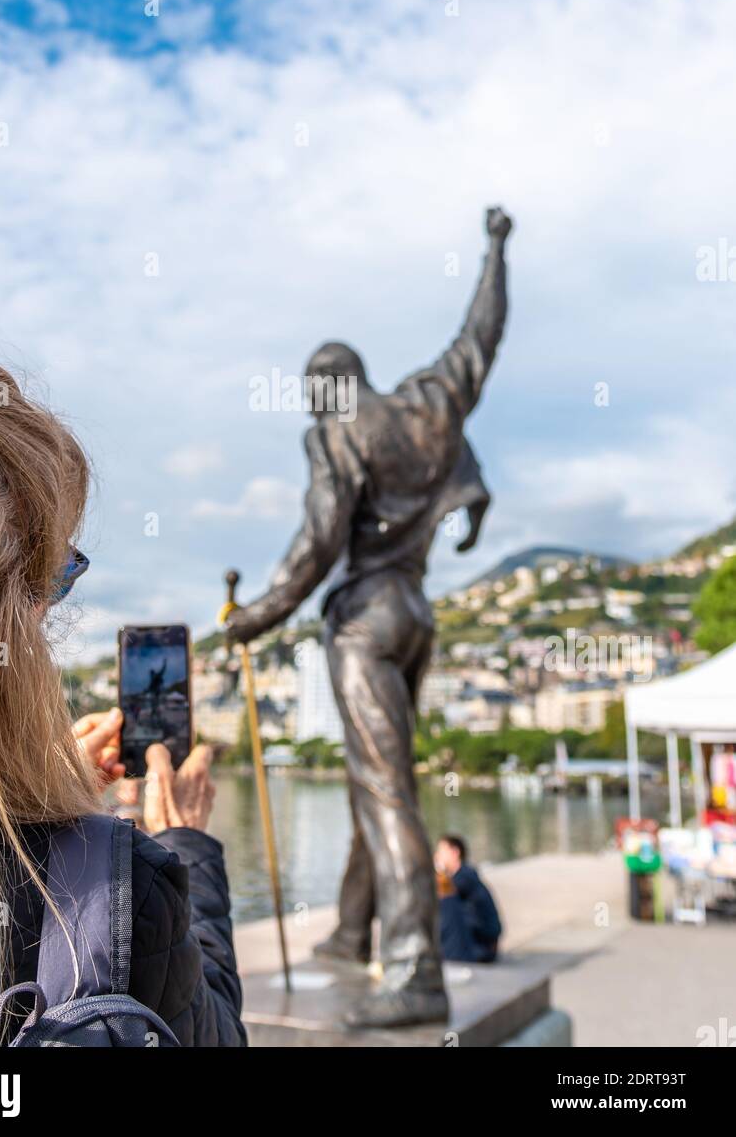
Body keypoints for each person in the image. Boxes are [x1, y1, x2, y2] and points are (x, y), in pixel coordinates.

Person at [0, 346, 245, 1047]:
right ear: (25, 604)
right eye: (61, 573)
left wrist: (33, 794)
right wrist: (185, 846)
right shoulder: (121, 892)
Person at [225, 207, 511, 1027]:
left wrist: (259, 614)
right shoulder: (429, 407)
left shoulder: (337, 430)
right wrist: (494, 251)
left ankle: (415, 968)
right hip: (417, 614)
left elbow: (318, 538)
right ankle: (353, 932)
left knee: (384, 791)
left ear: (325, 386)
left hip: (364, 623)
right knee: (376, 777)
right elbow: (478, 334)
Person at [435, 836, 502, 965]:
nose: (437, 856)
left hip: (481, 948)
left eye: (441, 851)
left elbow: (437, 896)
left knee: (446, 906)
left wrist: (438, 870)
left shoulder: (463, 879)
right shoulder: (467, 875)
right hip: (483, 944)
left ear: (455, 852)